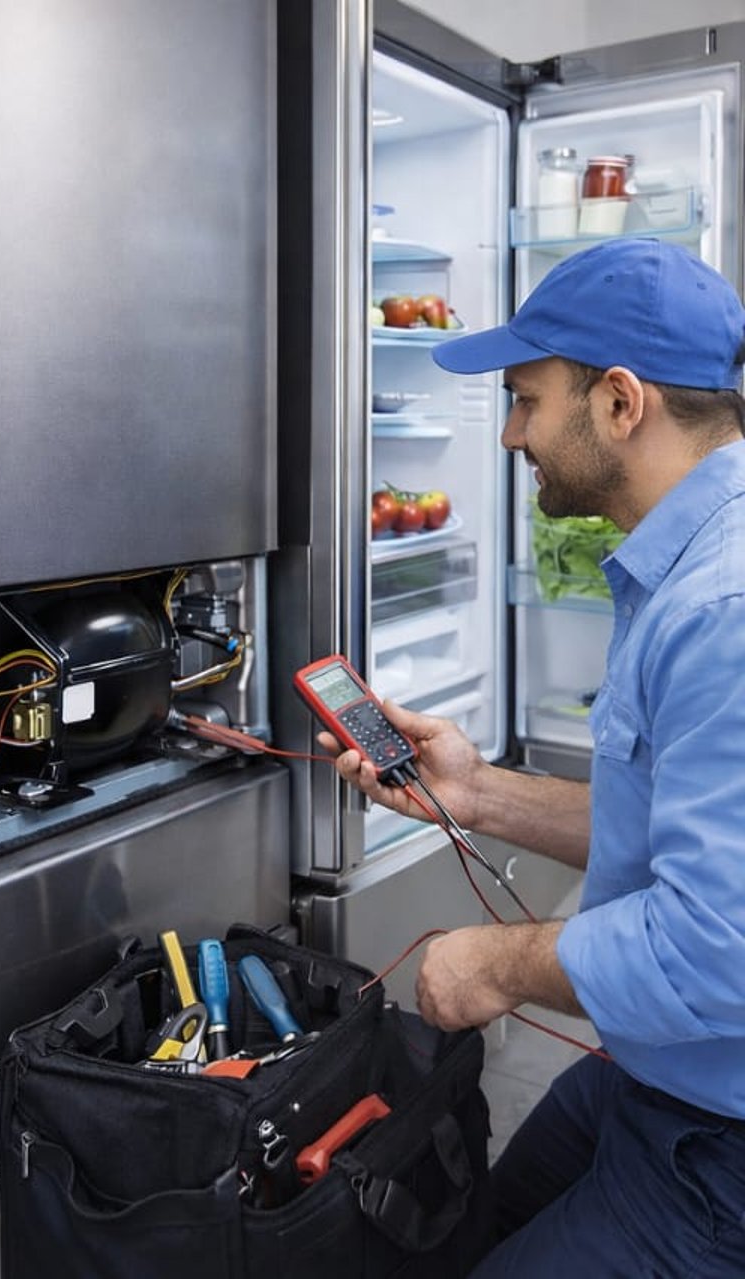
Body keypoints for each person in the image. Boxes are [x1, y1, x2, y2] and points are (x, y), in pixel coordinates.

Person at [322, 237, 745, 1275]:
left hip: (719, 1143)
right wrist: (476, 791)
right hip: (654, 1077)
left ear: (618, 402)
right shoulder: (688, 563)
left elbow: (719, 947)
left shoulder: (726, 608)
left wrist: (496, 963)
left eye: (525, 398)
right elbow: (663, 832)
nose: (511, 434)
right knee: (474, 1228)